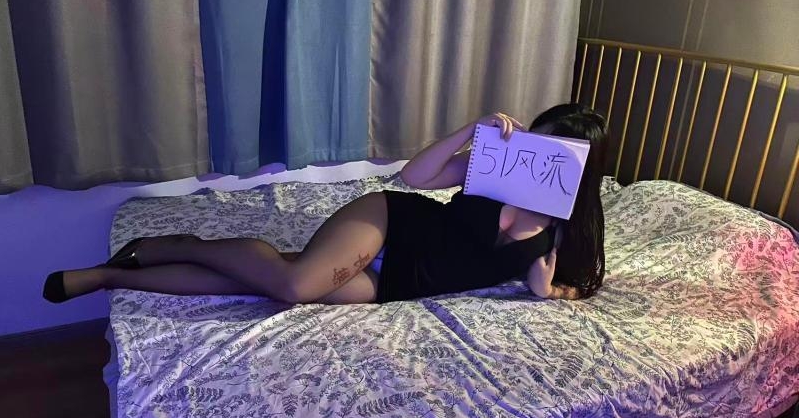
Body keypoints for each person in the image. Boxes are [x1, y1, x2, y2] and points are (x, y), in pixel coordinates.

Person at [43, 103, 607, 305]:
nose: (538, 154)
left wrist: (549, 291)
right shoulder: (499, 169)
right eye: (539, 139)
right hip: (391, 225)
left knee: (261, 284)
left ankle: (110, 276)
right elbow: (414, 177)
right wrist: (471, 131)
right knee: (293, 286)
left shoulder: (564, 229)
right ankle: (180, 244)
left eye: (555, 150)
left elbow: (584, 282)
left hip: (399, 283)